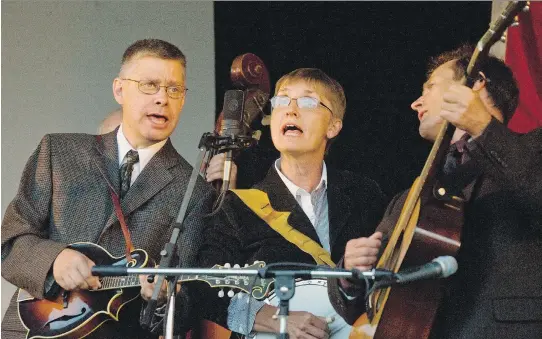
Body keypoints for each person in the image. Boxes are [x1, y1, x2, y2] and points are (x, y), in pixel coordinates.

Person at [142, 68, 387, 338]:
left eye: (307, 102)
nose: (291, 111)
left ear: (333, 126)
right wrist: (274, 318)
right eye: (281, 101)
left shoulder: (365, 195)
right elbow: (205, 285)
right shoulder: (237, 207)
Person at [1, 38, 214, 339]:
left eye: (174, 89)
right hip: (30, 331)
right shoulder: (58, 151)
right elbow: (9, 242)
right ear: (119, 89)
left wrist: (165, 298)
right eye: (149, 85)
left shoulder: (194, 191)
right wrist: (54, 260)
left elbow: (186, 307)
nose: (162, 99)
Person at [328, 45, 542, 338]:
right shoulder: (409, 198)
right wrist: (349, 275)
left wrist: (483, 129)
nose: (416, 103)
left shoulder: (533, 149)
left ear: (475, 84)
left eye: (430, 87)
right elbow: (368, 306)